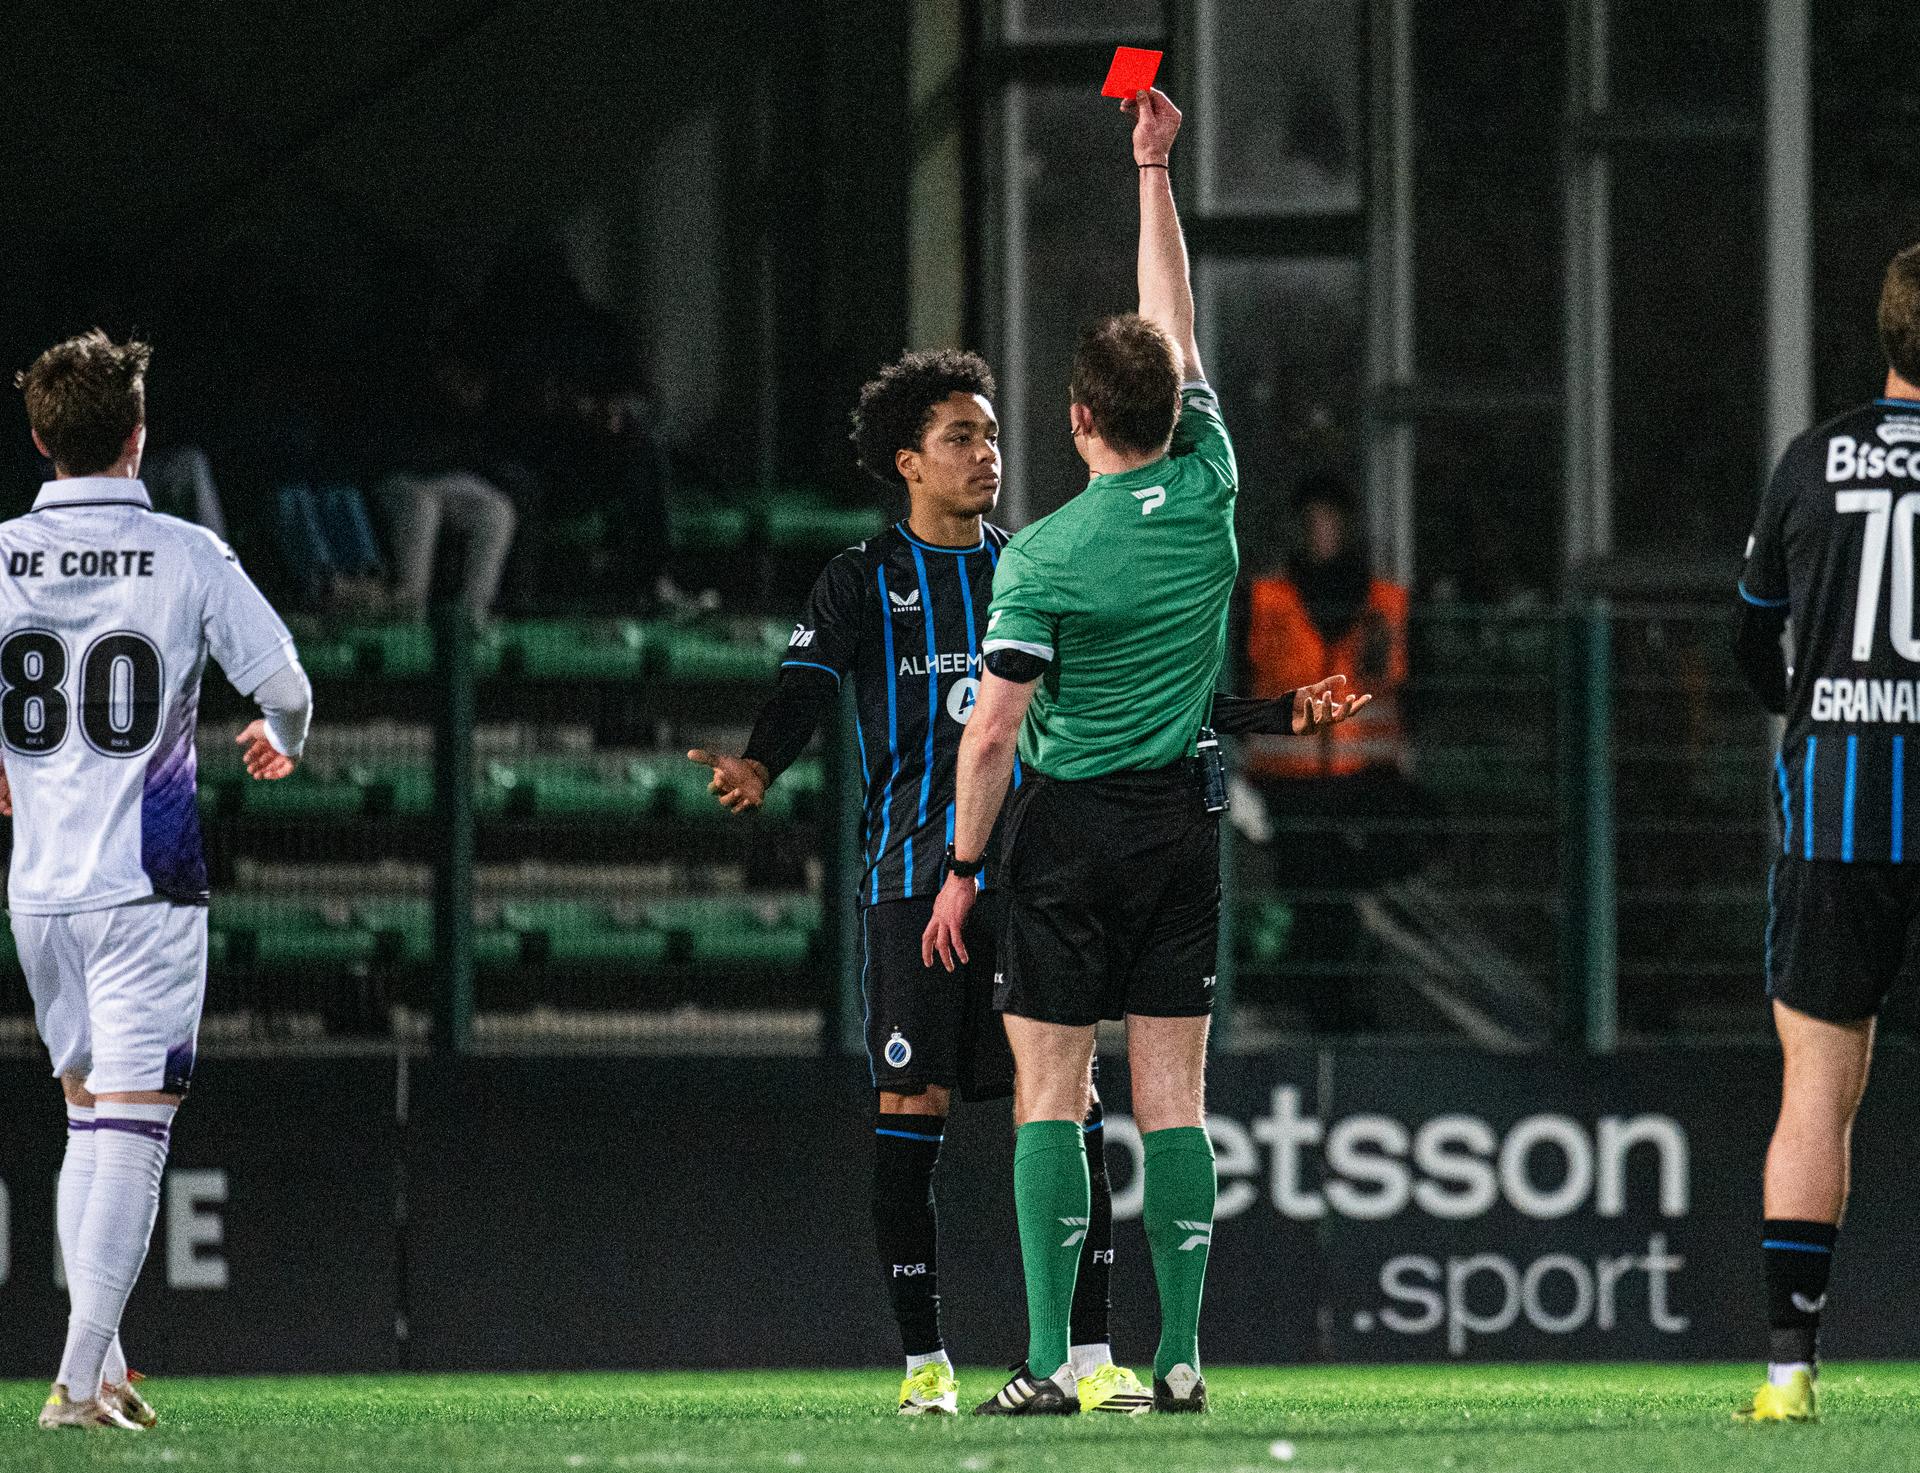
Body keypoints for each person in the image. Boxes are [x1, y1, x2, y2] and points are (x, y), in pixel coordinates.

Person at [923, 88, 1367, 1417]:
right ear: (1174, 408)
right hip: (1185, 819)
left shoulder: (1045, 557)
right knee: (1176, 1095)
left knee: (1054, 1093)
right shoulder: (1218, 483)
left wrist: (960, 865)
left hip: (1065, 832)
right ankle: (1178, 1358)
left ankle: (1057, 1363)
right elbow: (1172, 321)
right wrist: (1153, 173)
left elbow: (996, 730)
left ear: (1074, 422)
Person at [685, 349, 1152, 1415]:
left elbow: (1105, 695)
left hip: (1033, 883)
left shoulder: (1030, 567)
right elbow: (805, 684)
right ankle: (925, 1364)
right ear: (909, 462)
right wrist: (761, 761)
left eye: (990, 436)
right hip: (909, 882)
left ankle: (1089, 1361)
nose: (986, 454)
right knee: (912, 1106)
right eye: (961, 438)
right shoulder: (862, 580)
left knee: (1070, 1102)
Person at [6, 330, 311, 1432]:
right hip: (147, 883)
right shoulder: (186, 553)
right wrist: (281, 736)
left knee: (89, 1122)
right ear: (139, 437)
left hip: (39, 893)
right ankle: (76, 1383)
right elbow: (288, 685)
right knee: (133, 1129)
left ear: (41, 440)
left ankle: (108, 1364)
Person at [1731, 242, 1920, 1424]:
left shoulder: (1814, 462)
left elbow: (1754, 641)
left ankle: (1790, 1375)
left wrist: (1808, 704)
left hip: (1842, 815)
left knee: (1817, 1089)